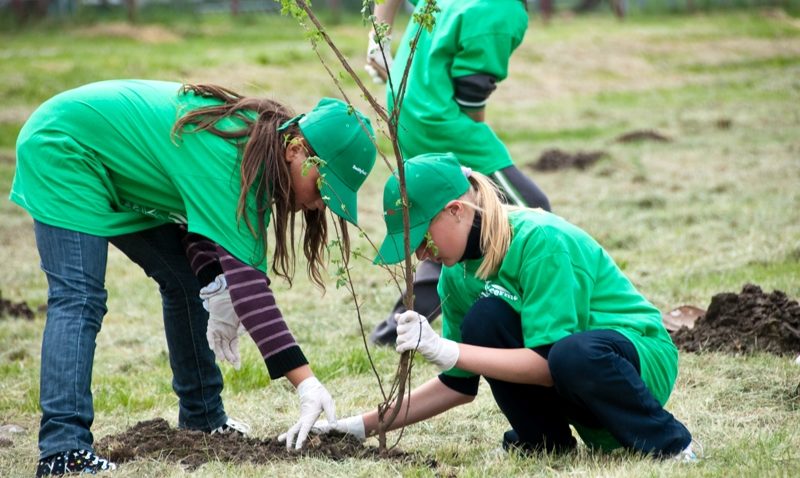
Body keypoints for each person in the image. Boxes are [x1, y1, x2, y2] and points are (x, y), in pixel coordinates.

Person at [10, 79, 377, 476]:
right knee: (79, 298)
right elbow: (252, 293)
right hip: (65, 146)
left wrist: (213, 283)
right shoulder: (232, 161)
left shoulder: (257, 152)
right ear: (295, 150)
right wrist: (306, 383)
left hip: (108, 162)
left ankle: (202, 418)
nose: (322, 203)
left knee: (186, 281)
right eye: (325, 187)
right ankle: (63, 451)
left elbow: (198, 224)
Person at [316, 153, 697, 460]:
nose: (417, 252)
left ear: (455, 210)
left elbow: (550, 365)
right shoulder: (458, 276)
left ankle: (671, 445)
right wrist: (361, 427)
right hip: (575, 370)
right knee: (486, 318)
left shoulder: (541, 240)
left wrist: (447, 349)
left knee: (570, 353)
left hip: (637, 360)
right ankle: (544, 444)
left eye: (420, 235)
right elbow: (457, 386)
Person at [365, 0, 552, 345]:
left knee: (451, 218)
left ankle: (398, 326)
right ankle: (543, 312)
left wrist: (378, 40)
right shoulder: (503, 9)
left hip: (408, 106)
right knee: (532, 210)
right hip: (439, 117)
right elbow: (472, 91)